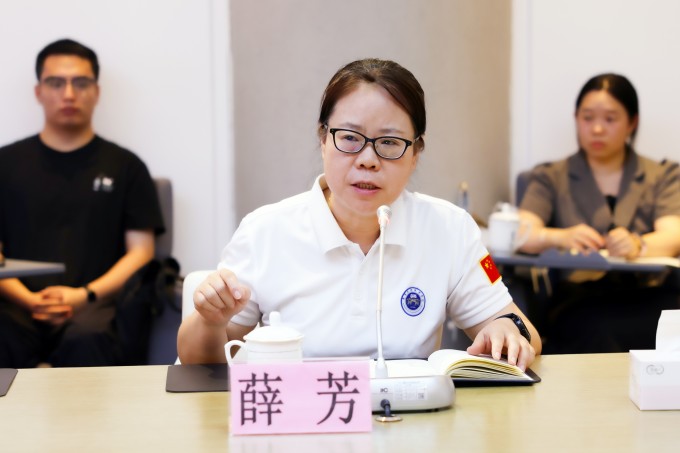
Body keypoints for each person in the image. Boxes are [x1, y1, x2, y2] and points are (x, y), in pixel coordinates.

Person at [178, 58, 541, 370]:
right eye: (350, 138)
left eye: (389, 143)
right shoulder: (265, 231)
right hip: (301, 419)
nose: (368, 160)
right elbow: (196, 361)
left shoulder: (450, 229)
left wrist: (506, 331)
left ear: (416, 153)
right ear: (323, 139)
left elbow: (522, 330)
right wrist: (211, 322)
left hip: (411, 421)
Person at [0, 39, 165, 367]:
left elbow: (141, 252)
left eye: (81, 82)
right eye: (55, 83)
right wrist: (28, 299)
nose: (69, 94)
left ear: (96, 92)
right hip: (15, 302)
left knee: (89, 339)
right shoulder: (6, 164)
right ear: (38, 92)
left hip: (95, 305)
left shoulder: (126, 166)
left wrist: (84, 295)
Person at [518, 73, 680, 353]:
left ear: (632, 122)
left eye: (610, 119)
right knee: (593, 326)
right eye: (587, 117)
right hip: (580, 298)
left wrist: (638, 245)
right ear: (576, 119)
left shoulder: (663, 175)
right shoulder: (551, 176)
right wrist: (559, 237)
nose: (596, 129)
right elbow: (522, 232)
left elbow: (673, 234)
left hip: (648, 295)